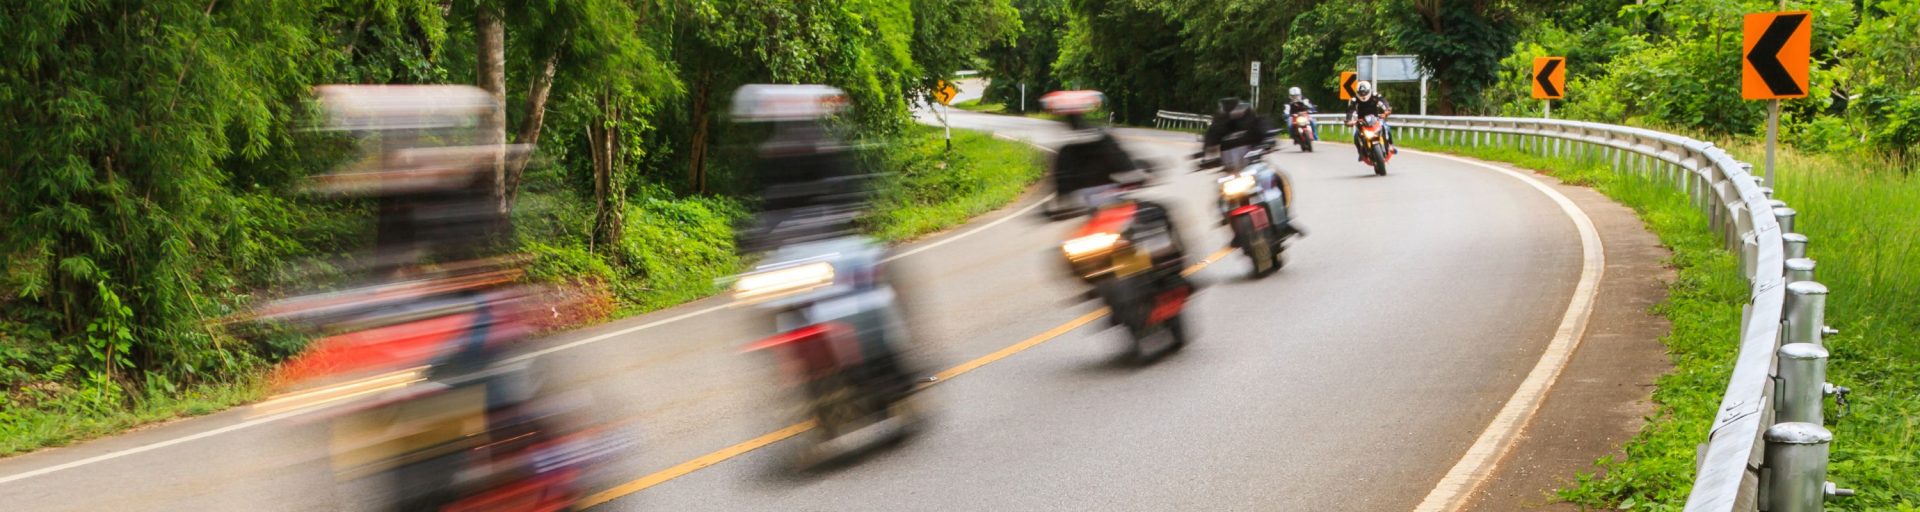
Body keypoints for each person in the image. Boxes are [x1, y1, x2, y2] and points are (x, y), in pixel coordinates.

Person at [1041, 90, 1140, 213]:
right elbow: (1061, 184)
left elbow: (1124, 164)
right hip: (1087, 206)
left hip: (1102, 202)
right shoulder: (1102, 140)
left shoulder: (1067, 149)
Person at [1204, 97, 1272, 172]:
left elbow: (1263, 126)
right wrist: (1207, 156)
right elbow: (1210, 139)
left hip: (1252, 162)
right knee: (1222, 182)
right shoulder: (1219, 123)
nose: (1234, 113)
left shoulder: (1250, 118)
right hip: (1230, 169)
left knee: (1269, 175)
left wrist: (1268, 140)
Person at [1345, 80, 1395, 161]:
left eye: (1364, 92)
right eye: (1361, 92)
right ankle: (1361, 153)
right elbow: (1350, 111)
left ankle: (1391, 145)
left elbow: (1383, 102)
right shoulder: (1354, 100)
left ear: (1369, 90)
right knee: (1356, 136)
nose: (1363, 94)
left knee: (1386, 127)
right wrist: (1348, 120)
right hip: (1362, 121)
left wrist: (1387, 110)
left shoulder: (1374, 96)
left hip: (1375, 118)